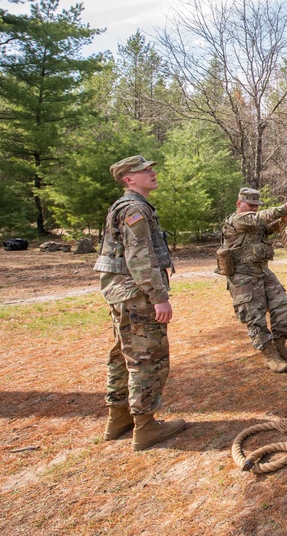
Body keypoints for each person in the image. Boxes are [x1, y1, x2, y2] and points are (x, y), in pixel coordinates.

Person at [94, 155, 186, 450]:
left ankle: (118, 418)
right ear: (128, 179)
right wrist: (159, 297)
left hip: (122, 293)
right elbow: (139, 258)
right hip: (137, 296)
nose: (152, 172)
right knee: (148, 359)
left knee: (124, 355)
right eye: (144, 170)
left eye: (150, 168)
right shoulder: (135, 209)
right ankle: (145, 427)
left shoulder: (129, 207)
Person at [221, 188, 287, 373]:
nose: (254, 209)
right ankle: (269, 354)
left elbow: (266, 228)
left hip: (262, 271)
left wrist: (282, 221)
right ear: (238, 203)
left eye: (256, 206)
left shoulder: (254, 220)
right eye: (250, 205)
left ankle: (280, 346)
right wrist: (284, 207)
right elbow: (259, 219)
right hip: (243, 275)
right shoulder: (237, 220)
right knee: (254, 316)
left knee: (282, 305)